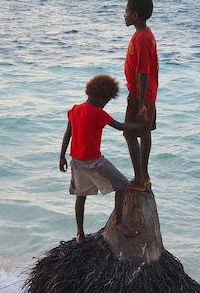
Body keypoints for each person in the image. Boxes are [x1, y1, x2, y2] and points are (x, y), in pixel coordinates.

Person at [59, 74, 147, 245]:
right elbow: (121, 126)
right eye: (106, 100)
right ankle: (119, 222)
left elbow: (67, 134)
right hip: (94, 162)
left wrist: (62, 156)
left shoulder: (75, 109)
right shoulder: (99, 114)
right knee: (122, 184)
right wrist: (141, 124)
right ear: (101, 97)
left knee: (81, 195)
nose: (105, 104)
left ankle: (80, 233)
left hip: (76, 161)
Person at [123, 0, 159, 191]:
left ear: (135, 15)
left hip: (140, 95)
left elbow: (143, 72)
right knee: (144, 133)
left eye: (127, 11)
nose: (124, 14)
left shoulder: (143, 38)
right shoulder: (142, 34)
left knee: (130, 134)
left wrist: (142, 103)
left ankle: (140, 178)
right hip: (145, 94)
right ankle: (143, 175)